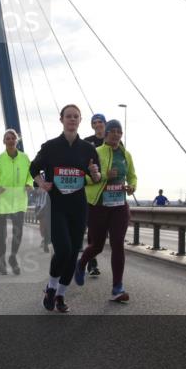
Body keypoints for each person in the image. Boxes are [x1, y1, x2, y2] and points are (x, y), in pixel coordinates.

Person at [30, 104, 101, 313]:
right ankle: (51, 288)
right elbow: (33, 168)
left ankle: (61, 295)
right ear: (61, 120)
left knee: (73, 254)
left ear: (80, 121)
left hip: (78, 207)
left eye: (75, 117)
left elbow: (96, 178)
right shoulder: (50, 146)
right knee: (63, 250)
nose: (72, 119)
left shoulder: (88, 149)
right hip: (56, 206)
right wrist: (41, 183)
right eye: (68, 116)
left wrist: (95, 173)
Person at [75, 119, 137, 302]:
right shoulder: (95, 152)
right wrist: (103, 177)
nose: (116, 134)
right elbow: (85, 178)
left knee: (118, 244)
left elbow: (132, 176)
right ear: (106, 133)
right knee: (98, 246)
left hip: (119, 206)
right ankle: (81, 263)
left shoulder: (126, 155)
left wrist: (132, 187)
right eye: (113, 131)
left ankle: (117, 287)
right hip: (98, 206)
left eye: (119, 131)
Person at [0, 129, 32, 275]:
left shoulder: (25, 158)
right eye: (8, 138)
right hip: (1, 202)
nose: (10, 140)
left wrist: (29, 184)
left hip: (19, 201)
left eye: (13, 138)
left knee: (18, 232)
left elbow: (30, 176)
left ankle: (12, 257)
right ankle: (2, 261)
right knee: (2, 235)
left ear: (16, 141)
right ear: (4, 141)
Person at [83, 113, 107, 276]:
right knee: (92, 229)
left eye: (100, 122)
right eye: (95, 122)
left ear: (105, 124)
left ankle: (87, 258)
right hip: (92, 193)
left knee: (102, 232)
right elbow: (82, 167)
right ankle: (92, 263)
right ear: (92, 125)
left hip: (110, 194)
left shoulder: (114, 140)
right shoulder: (86, 142)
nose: (98, 124)